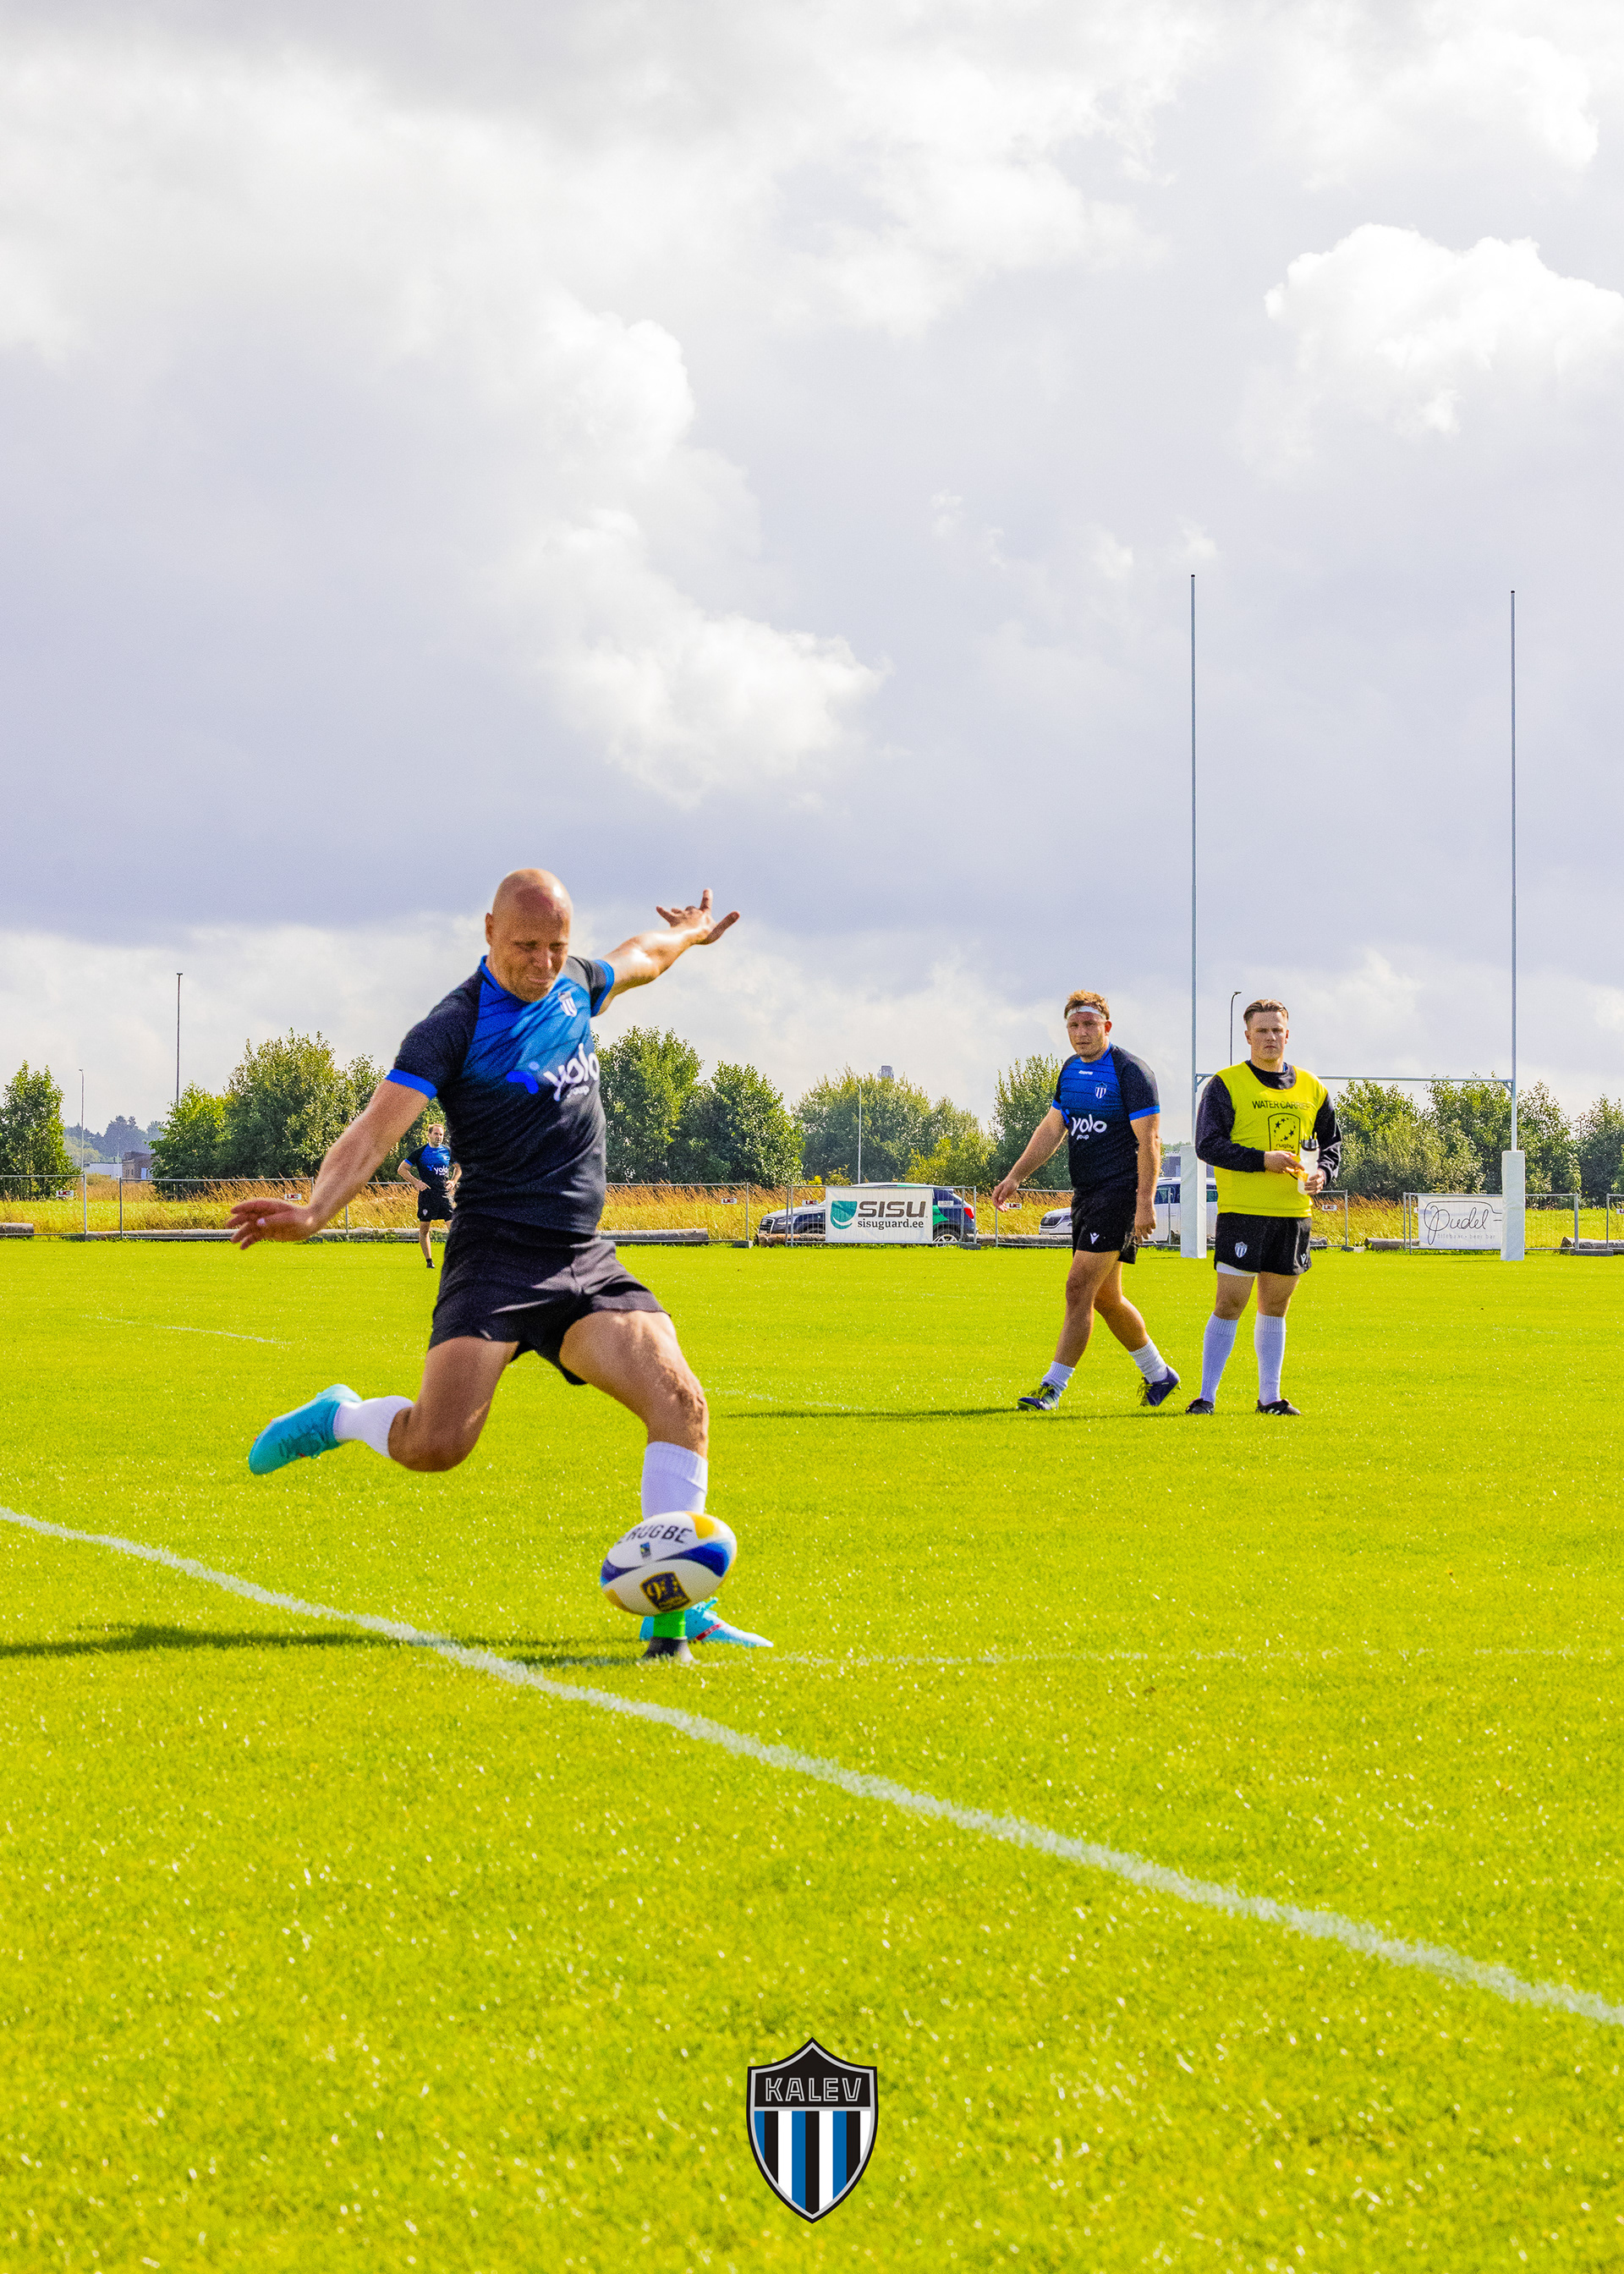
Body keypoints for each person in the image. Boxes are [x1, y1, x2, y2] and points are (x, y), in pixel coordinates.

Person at [227, 867, 769, 1663]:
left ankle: (675, 1621)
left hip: (583, 1256)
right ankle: (342, 1416)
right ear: (488, 931)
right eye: (525, 946)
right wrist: (314, 1212)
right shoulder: (451, 1028)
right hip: (496, 1258)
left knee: (681, 1402)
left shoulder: (576, 986)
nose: (543, 963)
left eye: (556, 946)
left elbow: (644, 956)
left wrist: (689, 932)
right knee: (436, 1445)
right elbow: (375, 1132)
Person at [991, 989, 1180, 1413]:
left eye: (1089, 1024)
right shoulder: (1070, 1070)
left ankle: (1051, 1388)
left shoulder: (1131, 1072)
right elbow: (1052, 1129)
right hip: (1087, 1195)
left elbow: (1150, 1141)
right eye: (1074, 1025)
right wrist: (1016, 1175)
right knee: (1106, 1298)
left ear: (1106, 1026)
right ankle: (1159, 1374)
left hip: (1119, 1195)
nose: (1081, 1032)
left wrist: (1145, 1203)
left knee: (1078, 1288)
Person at [1187, 997, 1341, 1416]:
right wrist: (1262, 1160)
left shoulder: (1313, 1087)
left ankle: (1270, 1397)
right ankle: (1206, 1396)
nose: (1270, 1037)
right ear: (1247, 1036)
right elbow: (1207, 1145)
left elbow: (1331, 1145)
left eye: (1277, 1030)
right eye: (1262, 1031)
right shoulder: (1225, 1084)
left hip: (1293, 1216)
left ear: (1287, 1034)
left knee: (1275, 1307)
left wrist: (1323, 1173)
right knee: (1230, 1304)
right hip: (1244, 1213)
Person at [398, 1120, 458, 1267]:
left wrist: (453, 1180)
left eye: (441, 1135)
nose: (439, 1137)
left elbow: (459, 1167)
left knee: (454, 1228)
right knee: (425, 1229)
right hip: (427, 1195)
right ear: (429, 1135)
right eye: (436, 1134)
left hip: (445, 1195)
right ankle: (429, 1261)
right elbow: (402, 1169)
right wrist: (416, 1182)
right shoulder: (420, 1152)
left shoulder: (447, 1151)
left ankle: (455, 1259)